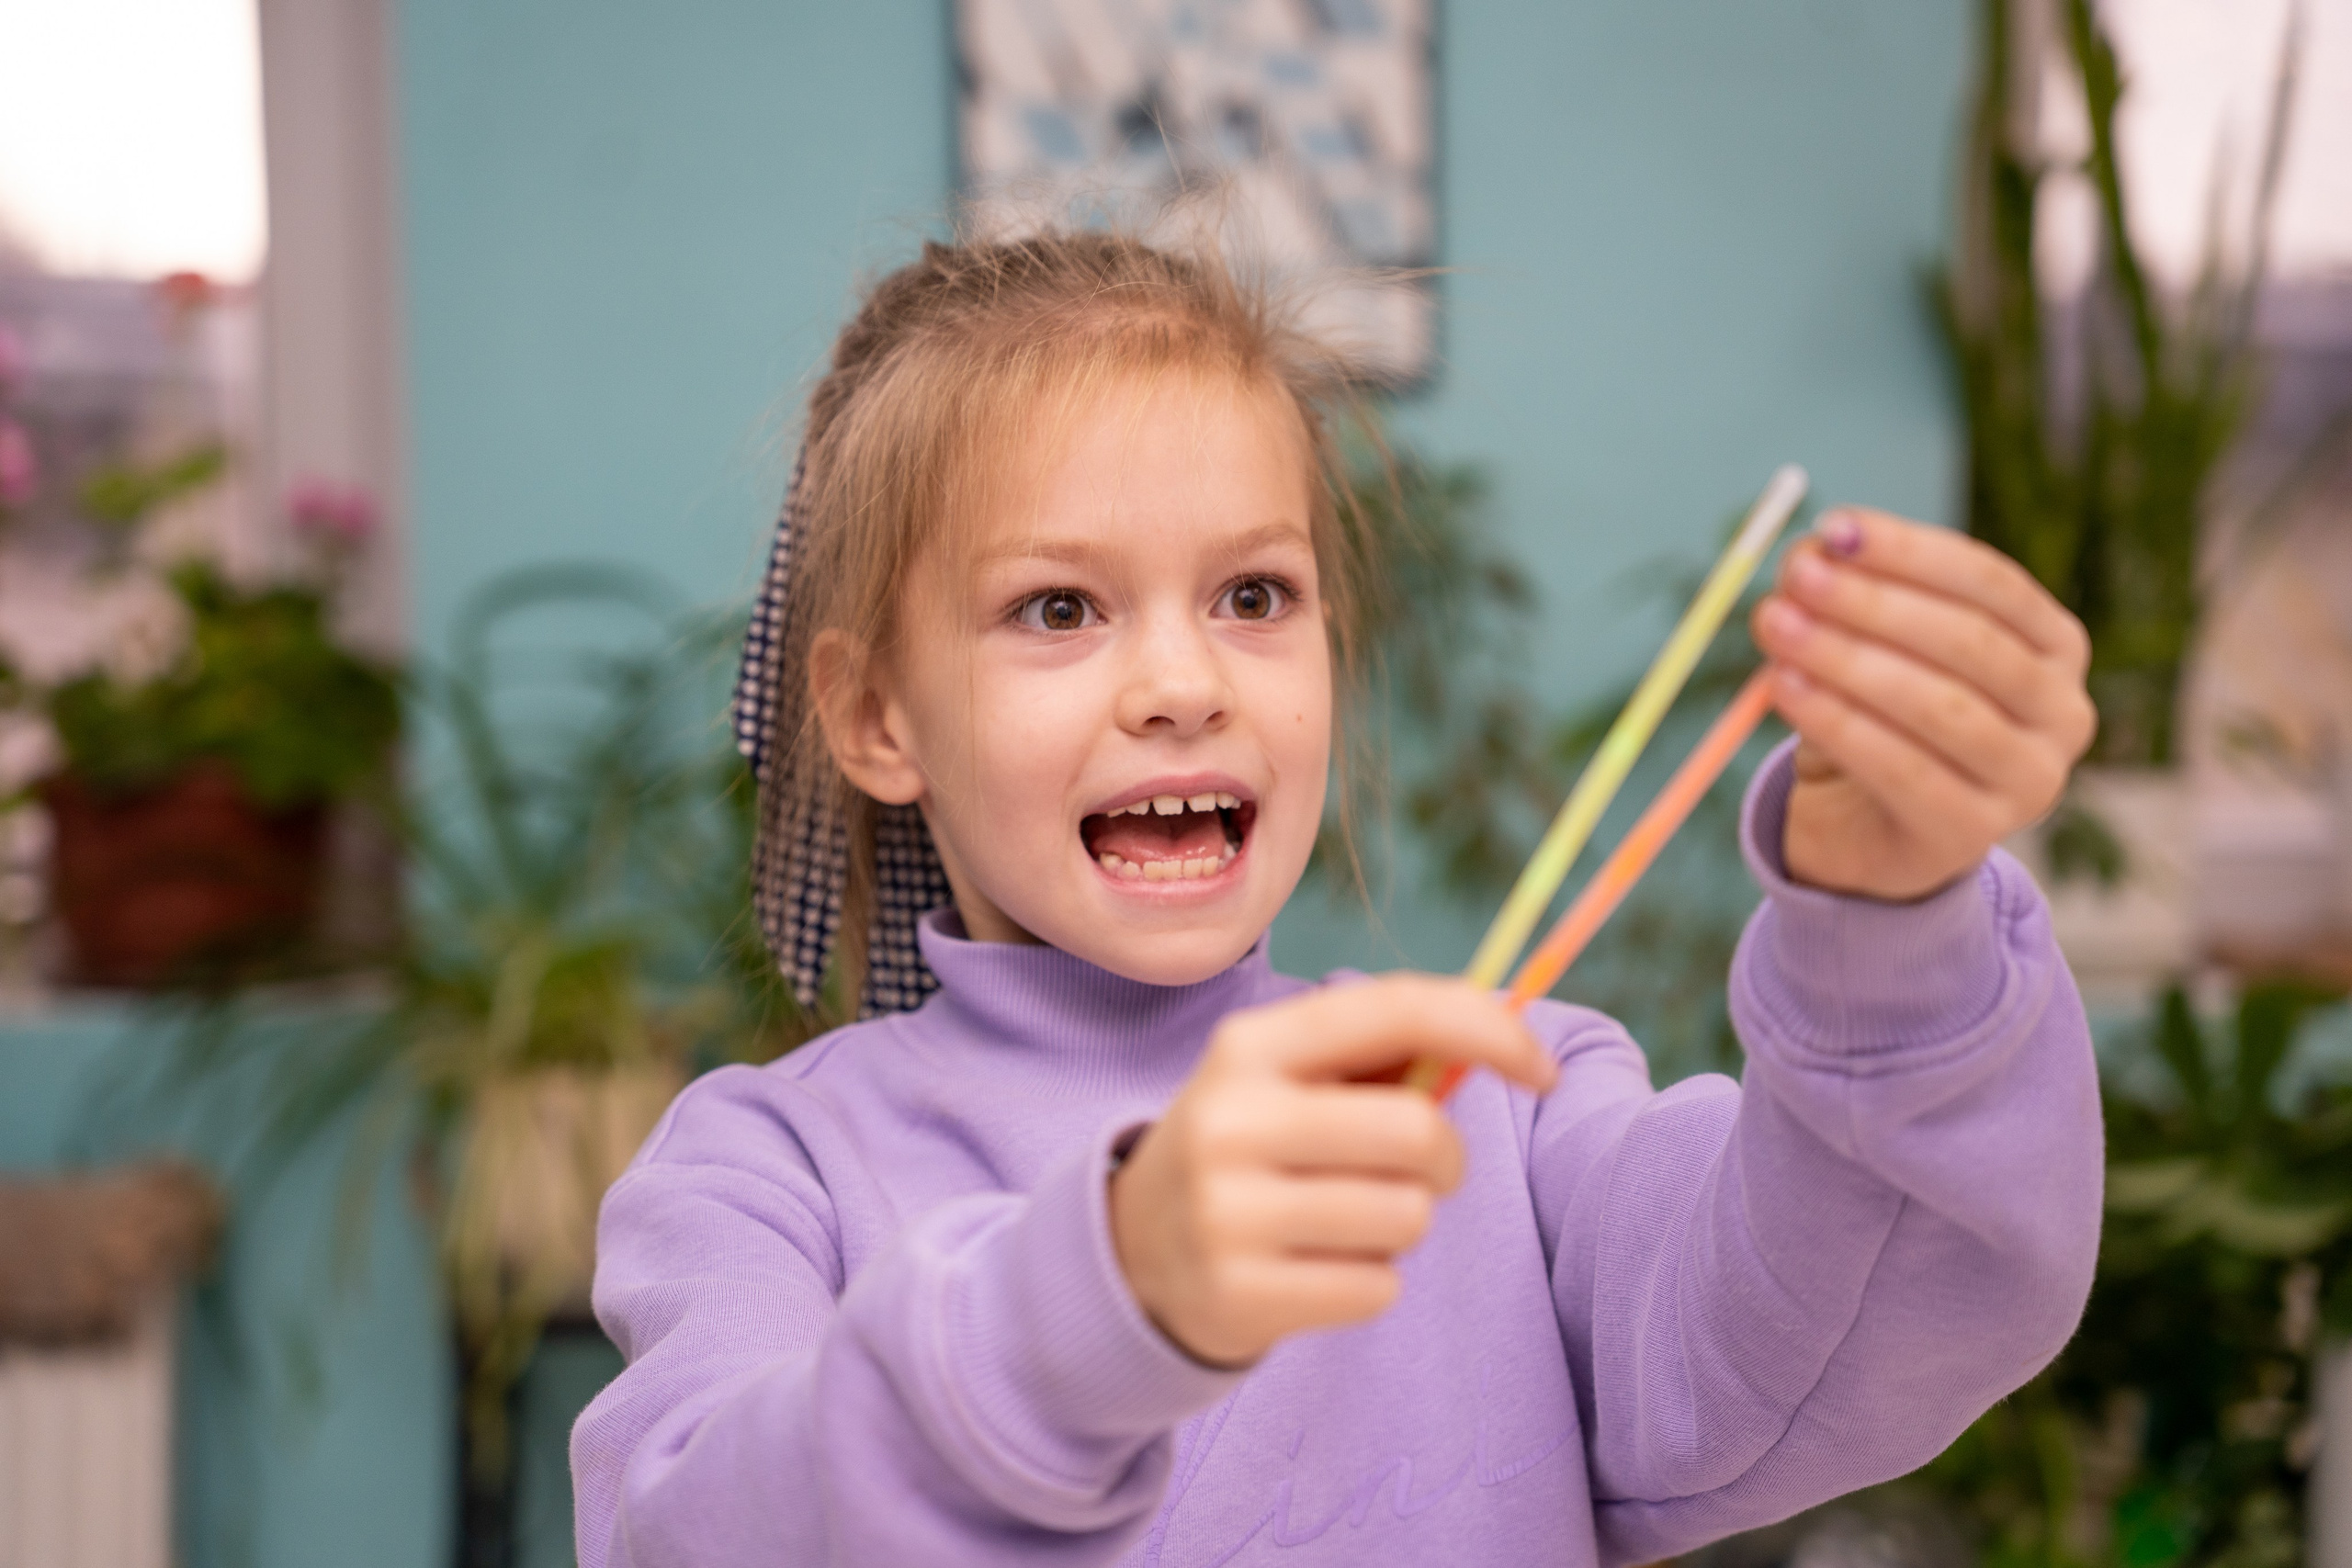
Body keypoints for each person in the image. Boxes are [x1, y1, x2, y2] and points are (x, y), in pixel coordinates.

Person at [570, 231, 2103, 1567]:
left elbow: (1871, 1313)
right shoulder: (761, 1176)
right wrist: (1099, 1305)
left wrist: (1890, 913)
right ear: (876, 716)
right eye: (1057, 606)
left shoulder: (1507, 1104)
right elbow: (688, 1534)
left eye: (1254, 596)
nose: (1184, 683)